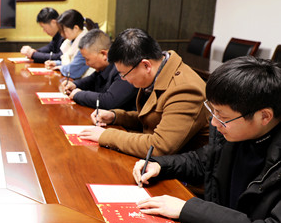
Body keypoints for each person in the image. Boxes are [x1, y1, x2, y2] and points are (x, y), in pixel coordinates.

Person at [133, 56, 281, 223]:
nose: (213, 122)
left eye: (222, 116)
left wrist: (187, 209)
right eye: (213, 111)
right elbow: (204, 161)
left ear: (264, 116)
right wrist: (160, 165)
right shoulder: (235, 133)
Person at [79, 28, 210, 157]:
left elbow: (159, 146)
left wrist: (106, 135)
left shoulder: (185, 90)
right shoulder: (159, 72)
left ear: (146, 65)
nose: (123, 79)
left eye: (124, 74)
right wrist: (115, 116)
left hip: (178, 167)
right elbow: (152, 119)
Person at [59, 29, 137, 111]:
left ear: (104, 54)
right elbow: (91, 80)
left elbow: (109, 101)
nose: (86, 63)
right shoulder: (103, 68)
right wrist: (74, 84)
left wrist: (78, 95)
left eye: (87, 59)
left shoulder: (124, 68)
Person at [44, 9, 95, 79]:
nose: (62, 34)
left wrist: (61, 67)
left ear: (76, 28)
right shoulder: (72, 40)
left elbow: (73, 71)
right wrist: (56, 63)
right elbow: (71, 62)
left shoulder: (86, 44)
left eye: (64, 31)